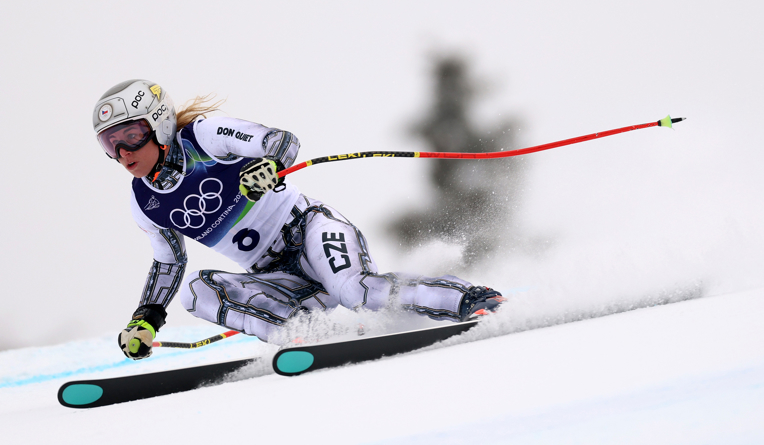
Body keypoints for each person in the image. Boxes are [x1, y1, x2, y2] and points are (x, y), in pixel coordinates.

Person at [92, 79, 504, 360]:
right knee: (195, 292)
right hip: (275, 277)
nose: (124, 153)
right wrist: (145, 319)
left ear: (160, 123)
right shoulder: (144, 202)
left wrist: (270, 165)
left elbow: (281, 141)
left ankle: (469, 299)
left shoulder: (204, 136)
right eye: (111, 144)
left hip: (308, 230)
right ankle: (307, 336)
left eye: (132, 135)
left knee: (356, 291)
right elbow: (169, 263)